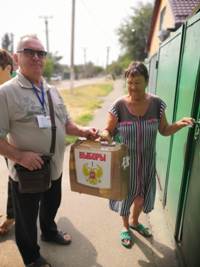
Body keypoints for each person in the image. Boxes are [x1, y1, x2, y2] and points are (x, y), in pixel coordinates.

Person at [0, 35, 98, 267]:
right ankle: (32, 257)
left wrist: (84, 131)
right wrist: (19, 156)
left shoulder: (52, 90)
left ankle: (49, 231)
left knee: (52, 203)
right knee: (25, 219)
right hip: (27, 171)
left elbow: (66, 124)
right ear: (17, 57)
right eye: (29, 52)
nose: (36, 57)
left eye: (41, 53)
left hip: (54, 166)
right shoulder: (6, 93)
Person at [100, 61, 194, 248]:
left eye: (138, 82)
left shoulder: (157, 104)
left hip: (148, 162)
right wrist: (104, 135)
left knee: (141, 197)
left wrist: (181, 123)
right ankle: (125, 227)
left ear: (147, 81)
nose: (133, 87)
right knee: (125, 197)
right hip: (126, 163)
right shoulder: (119, 105)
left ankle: (135, 221)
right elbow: (108, 130)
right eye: (130, 83)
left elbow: (165, 130)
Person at [0, 49, 15, 235]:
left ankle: (11, 216)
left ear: (8, 69)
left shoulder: (19, 89)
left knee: (14, 177)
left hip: (18, 145)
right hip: (5, 143)